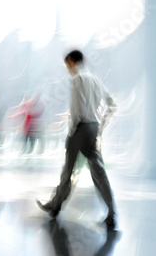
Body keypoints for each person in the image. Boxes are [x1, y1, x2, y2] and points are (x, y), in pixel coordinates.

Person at [37, 50, 117, 230]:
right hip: (93, 127)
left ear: (72, 61)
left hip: (80, 129)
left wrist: (72, 131)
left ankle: (55, 206)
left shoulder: (77, 79)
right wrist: (100, 125)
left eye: (67, 65)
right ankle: (112, 213)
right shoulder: (96, 80)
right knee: (99, 173)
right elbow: (112, 104)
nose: (68, 69)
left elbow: (77, 110)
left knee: (68, 170)